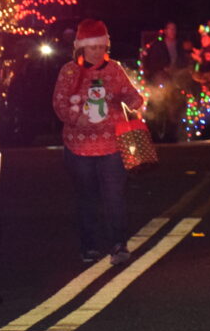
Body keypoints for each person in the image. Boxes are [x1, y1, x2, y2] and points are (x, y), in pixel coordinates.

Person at [51, 19, 145, 265]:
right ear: (81, 48)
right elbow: (60, 104)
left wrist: (135, 99)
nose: (97, 52)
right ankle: (89, 245)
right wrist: (76, 118)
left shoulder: (114, 69)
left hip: (112, 145)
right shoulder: (69, 72)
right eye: (92, 48)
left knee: (114, 195)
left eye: (101, 47)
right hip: (79, 147)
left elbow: (131, 95)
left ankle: (118, 243)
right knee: (86, 197)